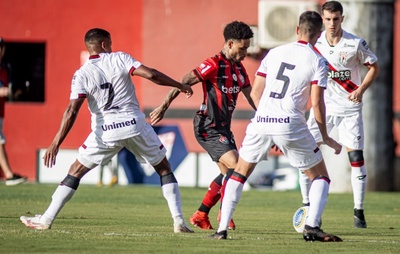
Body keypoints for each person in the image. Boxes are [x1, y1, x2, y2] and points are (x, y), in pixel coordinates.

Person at [19, 28, 194, 233]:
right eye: (110, 43)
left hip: (105, 132)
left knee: (75, 171)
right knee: (164, 168)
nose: (112, 47)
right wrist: (179, 85)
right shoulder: (119, 58)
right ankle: (179, 221)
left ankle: (47, 219)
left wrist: (56, 142)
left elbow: (71, 111)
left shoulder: (81, 74)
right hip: (134, 126)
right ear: (104, 44)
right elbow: (152, 75)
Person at [212, 11, 343, 242]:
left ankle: (221, 230)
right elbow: (316, 103)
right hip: (290, 123)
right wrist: (325, 136)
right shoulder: (318, 60)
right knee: (320, 177)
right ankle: (312, 227)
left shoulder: (274, 53)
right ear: (319, 34)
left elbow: (255, 93)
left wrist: (270, 128)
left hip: (262, 121)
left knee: (240, 173)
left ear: (296, 30)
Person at [150, 21, 256, 230]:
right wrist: (163, 106)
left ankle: (201, 214)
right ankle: (224, 214)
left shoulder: (239, 68)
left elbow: (252, 96)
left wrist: (268, 115)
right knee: (237, 167)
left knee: (229, 174)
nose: (245, 52)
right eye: (242, 48)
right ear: (230, 43)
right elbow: (184, 80)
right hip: (207, 126)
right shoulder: (213, 64)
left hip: (224, 128)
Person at [298, 0, 380, 229]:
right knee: (306, 154)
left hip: (349, 108)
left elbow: (374, 67)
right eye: (327, 19)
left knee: (355, 159)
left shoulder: (355, 43)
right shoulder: (315, 43)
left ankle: (359, 212)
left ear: (342, 18)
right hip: (323, 107)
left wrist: (361, 90)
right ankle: (307, 206)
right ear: (322, 20)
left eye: (336, 19)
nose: (332, 24)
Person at [0, 37, 27, 186]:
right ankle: (9, 175)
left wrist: (14, 92)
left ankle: (9, 175)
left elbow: (7, 89)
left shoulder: (5, 68)